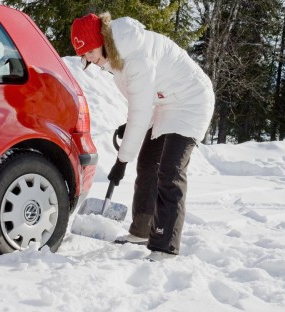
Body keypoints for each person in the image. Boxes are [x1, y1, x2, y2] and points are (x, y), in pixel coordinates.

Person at [71, 12, 214, 260]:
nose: (88, 59)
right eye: (83, 55)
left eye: (89, 51)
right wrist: (133, 126)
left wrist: (121, 161)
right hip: (165, 103)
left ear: (102, 40)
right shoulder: (116, 58)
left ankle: (165, 246)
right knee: (148, 164)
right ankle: (142, 231)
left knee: (170, 171)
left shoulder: (135, 58)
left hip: (192, 101)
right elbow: (142, 105)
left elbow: (140, 107)